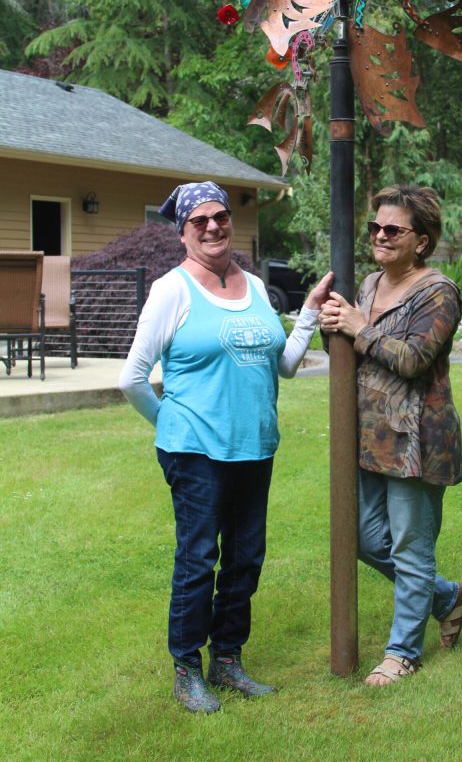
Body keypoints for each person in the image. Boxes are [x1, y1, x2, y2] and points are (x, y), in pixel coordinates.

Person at [119, 181, 332, 713]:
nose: (214, 227)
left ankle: (228, 661)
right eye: (200, 222)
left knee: (244, 559)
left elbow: (282, 365)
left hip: (254, 446)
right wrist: (173, 424)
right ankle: (187, 668)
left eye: (220, 218)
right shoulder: (172, 290)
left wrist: (306, 314)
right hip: (195, 452)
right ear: (183, 232)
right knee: (198, 559)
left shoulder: (256, 287)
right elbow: (133, 378)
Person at [320, 185, 462, 686]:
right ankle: (445, 597)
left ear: (421, 241)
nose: (380, 236)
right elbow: (355, 346)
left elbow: (413, 359)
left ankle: (402, 652)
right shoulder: (368, 284)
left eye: (392, 230)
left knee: (409, 546)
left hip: (416, 438)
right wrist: (333, 324)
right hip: (367, 435)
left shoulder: (438, 292)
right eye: (375, 228)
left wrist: (360, 327)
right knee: (361, 537)